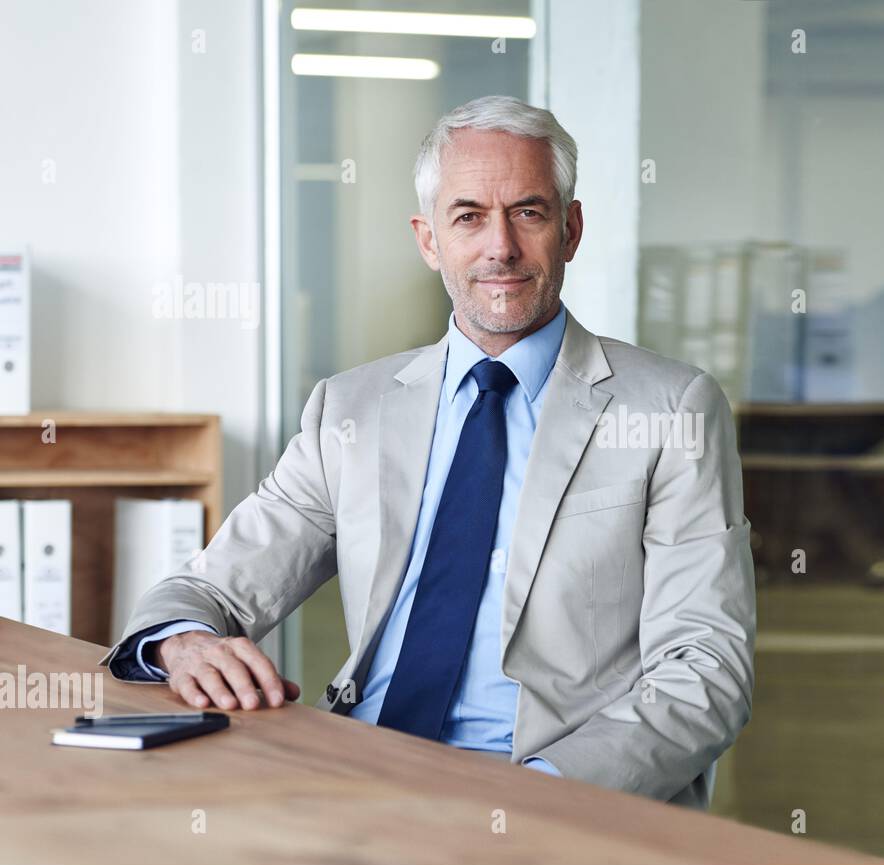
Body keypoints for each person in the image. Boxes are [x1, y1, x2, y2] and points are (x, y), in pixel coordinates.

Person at [99, 95, 756, 810]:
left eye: (529, 212)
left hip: (551, 797)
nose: (499, 246)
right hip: (359, 773)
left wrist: (531, 798)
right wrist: (185, 641)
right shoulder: (350, 409)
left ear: (570, 230)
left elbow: (705, 669)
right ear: (428, 239)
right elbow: (213, 589)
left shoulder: (669, 409)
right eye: (468, 216)